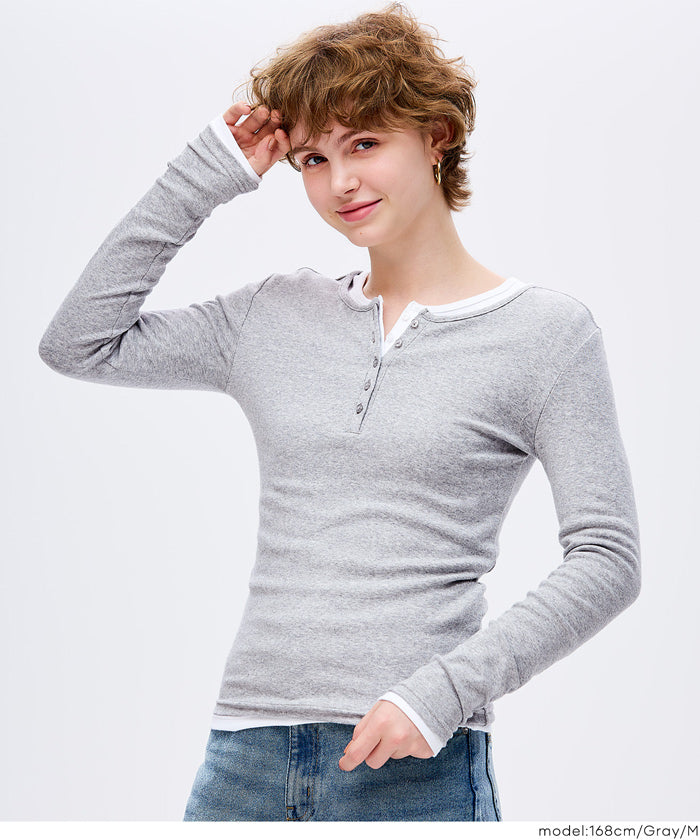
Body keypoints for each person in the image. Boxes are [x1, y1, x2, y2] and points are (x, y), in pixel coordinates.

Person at [37, 1, 641, 822]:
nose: (340, 183)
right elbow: (78, 343)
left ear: (436, 136)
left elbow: (607, 558)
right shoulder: (273, 314)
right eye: (313, 159)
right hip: (244, 757)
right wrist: (207, 173)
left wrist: (443, 692)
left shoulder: (545, 334)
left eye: (364, 144)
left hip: (416, 763)